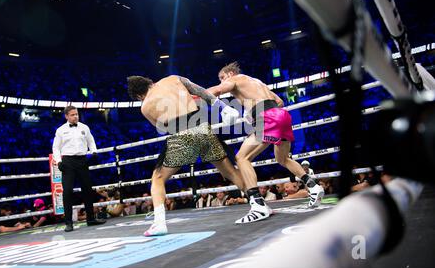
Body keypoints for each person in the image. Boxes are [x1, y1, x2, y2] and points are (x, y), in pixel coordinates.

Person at [127, 75, 272, 236]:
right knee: (229, 171)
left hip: (181, 134)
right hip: (203, 128)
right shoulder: (173, 78)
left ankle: (159, 223)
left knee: (158, 178)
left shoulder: (145, 106)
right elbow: (200, 91)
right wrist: (223, 107)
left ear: (139, 96)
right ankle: (258, 204)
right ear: (150, 82)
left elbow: (163, 126)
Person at [208, 62, 324, 208]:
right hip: (281, 115)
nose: (222, 81)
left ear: (230, 74)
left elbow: (217, 90)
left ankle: (257, 205)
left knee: (242, 158)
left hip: (267, 117)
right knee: (282, 159)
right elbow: (279, 101)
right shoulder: (257, 82)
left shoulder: (235, 79)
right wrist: (254, 112)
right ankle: (313, 186)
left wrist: (197, 94)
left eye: (222, 77)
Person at [52, 105, 106, 232]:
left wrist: (93, 152)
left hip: (82, 160)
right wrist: (59, 161)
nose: (76, 116)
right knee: (67, 192)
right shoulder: (60, 130)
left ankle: (91, 219)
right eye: (72, 115)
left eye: (76, 114)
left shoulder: (84, 127)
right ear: (66, 116)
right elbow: (55, 148)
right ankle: (68, 223)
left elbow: (91, 141)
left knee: (87, 190)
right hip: (68, 162)